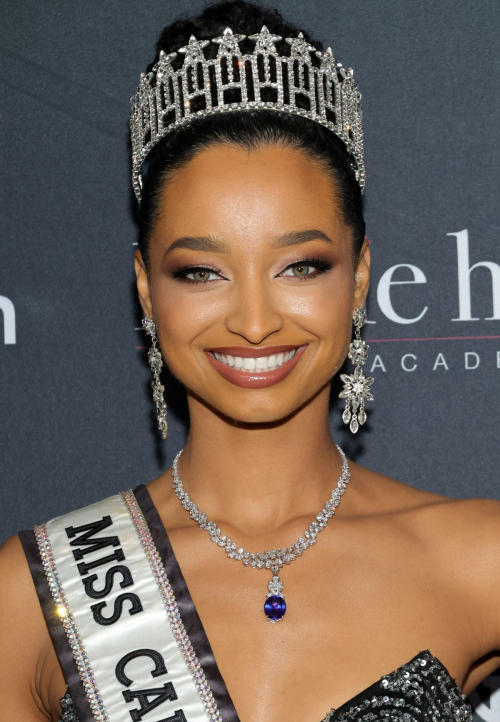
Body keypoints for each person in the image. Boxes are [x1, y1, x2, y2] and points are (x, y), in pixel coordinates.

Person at [1, 1, 499, 720]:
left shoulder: (478, 559)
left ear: (359, 278)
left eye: (300, 266)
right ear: (147, 287)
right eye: (201, 272)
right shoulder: (32, 595)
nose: (256, 323)